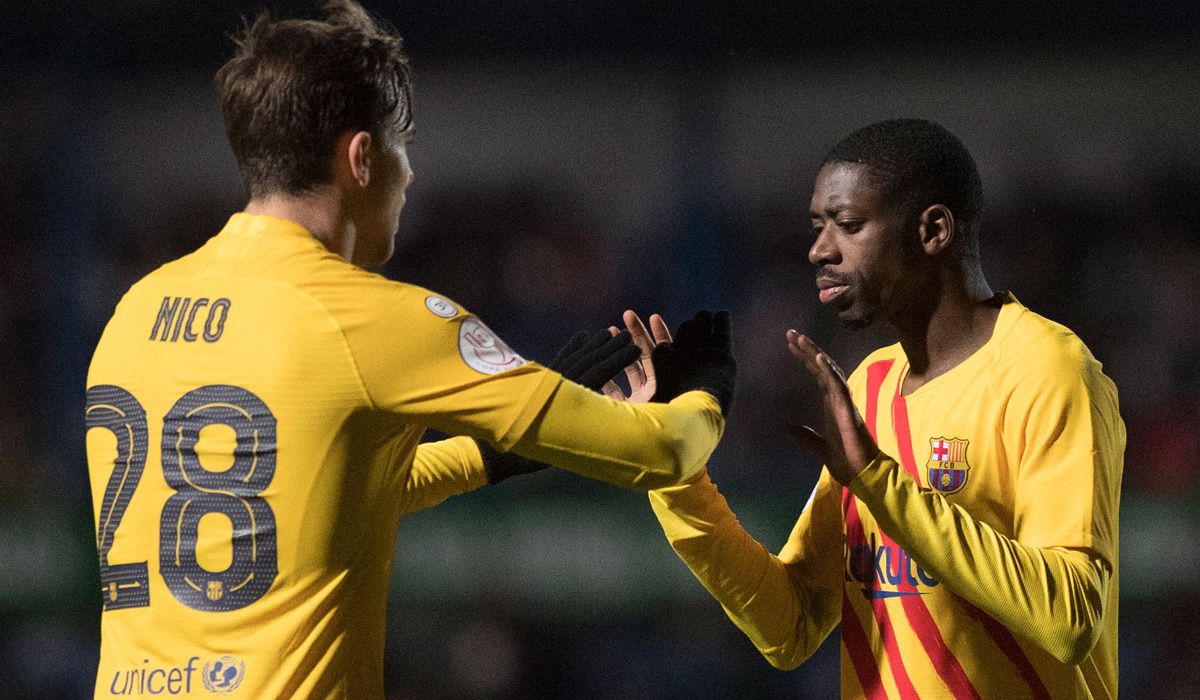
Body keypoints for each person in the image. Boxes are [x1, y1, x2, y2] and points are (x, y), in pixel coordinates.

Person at [83, 2, 735, 697]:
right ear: (361, 158)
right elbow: (663, 452)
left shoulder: (134, 311)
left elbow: (308, 500)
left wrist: (492, 454)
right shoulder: (375, 317)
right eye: (404, 145)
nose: (411, 175)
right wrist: (706, 386)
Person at [634, 119, 1124, 698]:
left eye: (847, 225)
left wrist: (878, 483)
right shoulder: (869, 385)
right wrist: (673, 472)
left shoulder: (1046, 369)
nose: (819, 249)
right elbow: (791, 623)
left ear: (934, 230)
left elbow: (1070, 619)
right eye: (818, 227)